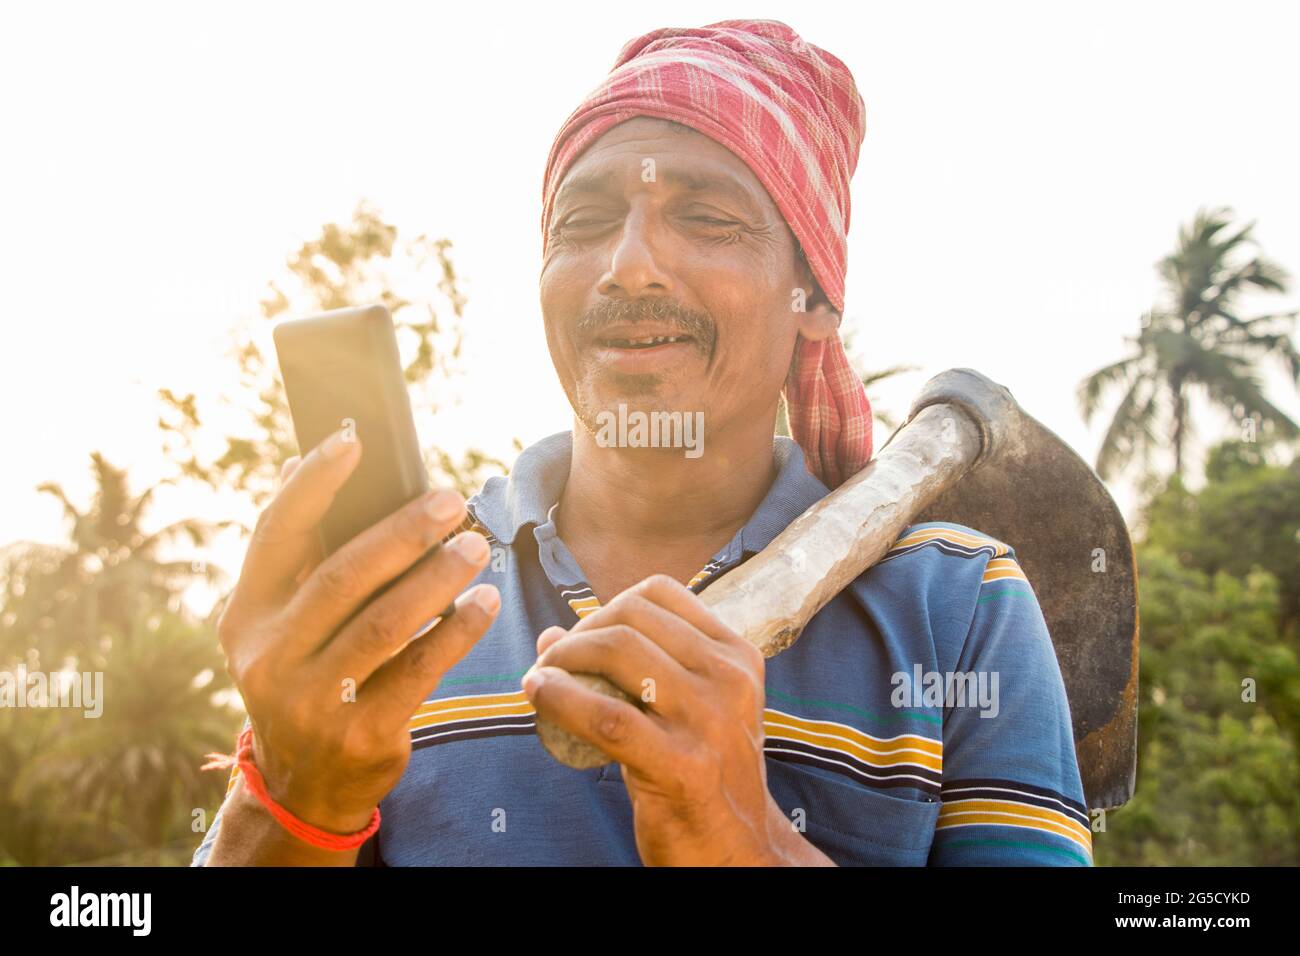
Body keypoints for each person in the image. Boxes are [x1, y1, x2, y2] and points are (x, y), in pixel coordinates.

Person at [194, 19, 1090, 866]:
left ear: (813, 298)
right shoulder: (408, 601)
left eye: (707, 219)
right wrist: (291, 797)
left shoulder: (956, 603)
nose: (627, 264)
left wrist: (747, 840)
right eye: (582, 223)